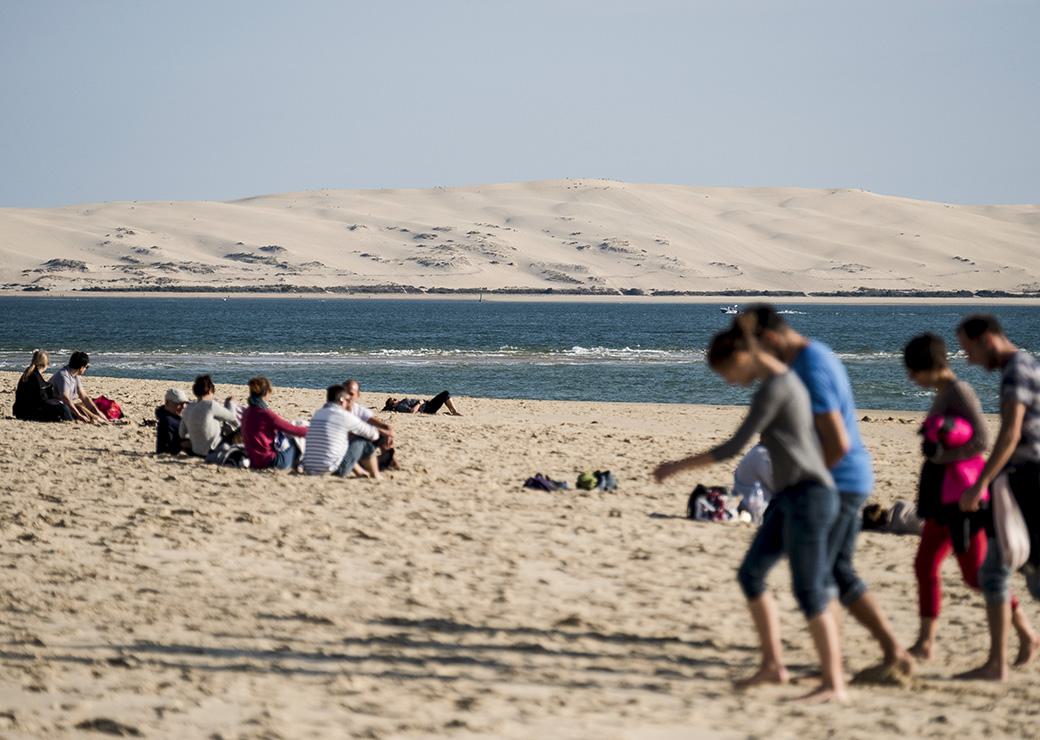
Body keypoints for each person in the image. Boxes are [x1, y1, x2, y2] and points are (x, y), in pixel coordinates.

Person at [653, 314, 845, 703]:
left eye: (727, 371)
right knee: (751, 574)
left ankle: (834, 684)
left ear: (744, 355)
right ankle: (774, 666)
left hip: (809, 497)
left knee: (809, 590)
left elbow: (731, 448)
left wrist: (676, 466)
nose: (728, 381)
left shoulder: (776, 387)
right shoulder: (780, 383)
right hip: (790, 498)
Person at [742, 304, 912, 676]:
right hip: (841, 480)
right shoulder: (813, 355)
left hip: (838, 482)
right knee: (836, 571)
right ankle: (885, 652)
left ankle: (861, 659)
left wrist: (813, 487)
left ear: (769, 339)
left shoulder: (810, 367)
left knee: (822, 574)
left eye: (757, 351)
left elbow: (835, 441)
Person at [903, 332, 1038, 662]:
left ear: (931, 367)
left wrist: (941, 458)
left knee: (976, 575)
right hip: (940, 497)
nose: (911, 378)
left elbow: (982, 439)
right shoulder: (943, 392)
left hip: (962, 499)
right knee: (925, 565)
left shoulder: (959, 391)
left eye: (914, 371)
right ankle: (925, 642)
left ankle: (1026, 633)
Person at [955, 314, 1040, 680]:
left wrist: (980, 483)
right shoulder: (1021, 366)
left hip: (1028, 481)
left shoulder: (1017, 369)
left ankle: (997, 664)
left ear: (988, 339)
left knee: (1018, 571)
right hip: (1019, 480)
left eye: (969, 349)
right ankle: (997, 663)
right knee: (996, 571)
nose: (969, 359)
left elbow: (1010, 434)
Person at [302, 384, 382, 478]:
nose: (348, 402)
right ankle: (376, 476)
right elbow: (374, 435)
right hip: (331, 470)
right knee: (364, 442)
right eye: (347, 399)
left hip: (309, 467)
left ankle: (360, 472)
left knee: (341, 442)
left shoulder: (318, 414)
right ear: (341, 400)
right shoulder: (344, 416)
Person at [241, 376, 307, 470]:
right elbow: (293, 430)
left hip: (254, 462)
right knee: (295, 441)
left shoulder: (247, 412)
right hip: (271, 462)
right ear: (266, 392)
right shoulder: (266, 414)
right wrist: (312, 430)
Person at [180, 374, 240, 460]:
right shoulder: (210, 405)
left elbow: (181, 433)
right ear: (209, 391)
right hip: (213, 449)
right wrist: (230, 404)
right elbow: (233, 419)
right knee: (240, 429)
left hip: (195, 451)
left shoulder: (188, 408)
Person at [49, 351, 109, 423]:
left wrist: (97, 412)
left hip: (63, 404)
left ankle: (99, 418)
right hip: (55, 406)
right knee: (79, 408)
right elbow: (65, 398)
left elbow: (84, 397)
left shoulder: (75, 375)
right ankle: (97, 419)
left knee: (87, 405)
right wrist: (78, 415)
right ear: (81, 367)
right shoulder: (64, 376)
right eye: (87, 367)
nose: (86, 369)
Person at [13, 350, 73, 422]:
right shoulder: (35, 377)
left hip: (20, 411)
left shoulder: (29, 373)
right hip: (29, 412)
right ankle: (71, 421)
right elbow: (41, 399)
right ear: (46, 364)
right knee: (63, 408)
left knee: (60, 408)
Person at [155, 388, 190, 455]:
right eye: (179, 404)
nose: (183, 407)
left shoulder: (174, 417)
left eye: (184, 404)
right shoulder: (167, 422)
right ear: (167, 402)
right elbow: (163, 449)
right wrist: (183, 445)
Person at [383, 390, 461, 416]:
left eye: (394, 398)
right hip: (427, 409)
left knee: (445, 395)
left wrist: (424, 401)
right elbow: (412, 412)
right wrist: (419, 403)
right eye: (394, 400)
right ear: (393, 404)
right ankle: (454, 412)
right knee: (445, 394)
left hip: (427, 404)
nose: (396, 399)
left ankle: (453, 411)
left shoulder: (401, 403)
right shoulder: (400, 406)